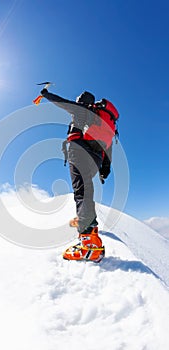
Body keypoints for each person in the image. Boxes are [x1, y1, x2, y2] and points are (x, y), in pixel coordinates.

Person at [41, 88, 118, 262]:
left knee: (81, 191)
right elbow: (109, 150)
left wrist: (45, 94)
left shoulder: (84, 110)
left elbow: (61, 102)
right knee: (85, 188)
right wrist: (104, 172)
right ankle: (88, 223)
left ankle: (89, 244)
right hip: (96, 160)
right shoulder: (105, 122)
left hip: (80, 151)